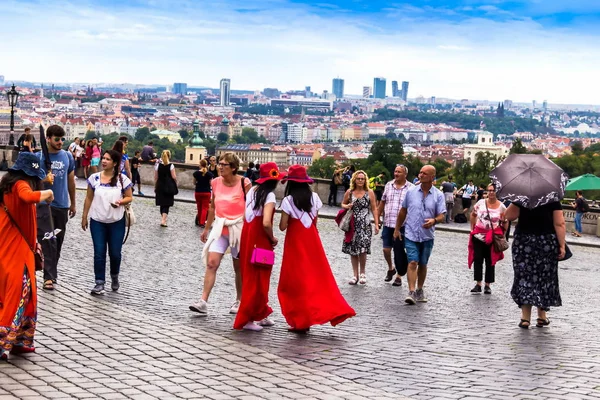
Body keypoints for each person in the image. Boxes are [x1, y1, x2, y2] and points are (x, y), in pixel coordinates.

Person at [278, 165, 356, 333]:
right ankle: (330, 309)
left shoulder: (288, 200)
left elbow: (283, 227)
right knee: (316, 278)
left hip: (295, 243)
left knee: (295, 281)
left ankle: (301, 320)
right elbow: (314, 222)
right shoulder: (314, 197)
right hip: (312, 241)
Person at [0, 152, 54, 360]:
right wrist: (47, 193)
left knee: (10, 291)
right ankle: (6, 340)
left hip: (8, 243)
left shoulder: (7, 185)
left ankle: (19, 339)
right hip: (17, 247)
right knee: (20, 290)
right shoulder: (21, 184)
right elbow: (27, 196)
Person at [189, 152, 251, 315]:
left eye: (224, 165)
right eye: (219, 164)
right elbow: (212, 207)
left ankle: (239, 300)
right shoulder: (215, 182)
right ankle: (203, 301)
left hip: (238, 230)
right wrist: (206, 228)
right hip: (220, 228)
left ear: (233, 168)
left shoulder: (244, 183)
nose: (220, 167)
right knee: (212, 263)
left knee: (238, 267)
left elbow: (251, 207)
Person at [233, 162, 285, 331]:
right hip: (260, 238)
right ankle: (248, 318)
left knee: (251, 274)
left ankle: (261, 313)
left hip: (248, 234)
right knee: (258, 278)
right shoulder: (269, 196)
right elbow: (266, 223)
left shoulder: (253, 191)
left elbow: (245, 214)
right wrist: (273, 238)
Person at [504, 200, 566, 329]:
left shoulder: (522, 197)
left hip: (523, 241)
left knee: (524, 277)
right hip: (545, 242)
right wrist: (562, 245)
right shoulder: (552, 199)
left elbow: (509, 216)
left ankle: (525, 318)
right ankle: (541, 316)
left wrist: (517, 200)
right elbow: (559, 223)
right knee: (544, 278)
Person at [81, 150, 133, 295]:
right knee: (99, 252)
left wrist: (120, 202)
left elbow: (129, 197)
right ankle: (99, 282)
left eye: (107, 159)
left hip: (116, 221)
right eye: (103, 158)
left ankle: (114, 275)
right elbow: (88, 198)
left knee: (115, 253)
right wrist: (84, 216)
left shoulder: (122, 180)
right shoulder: (94, 178)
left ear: (115, 163)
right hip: (97, 221)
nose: (104, 161)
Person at [394, 165, 446, 305]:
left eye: (424, 173)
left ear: (432, 177)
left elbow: (442, 215)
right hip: (411, 233)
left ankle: (419, 289)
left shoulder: (438, 195)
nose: (420, 175)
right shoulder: (411, 192)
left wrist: (434, 220)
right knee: (412, 262)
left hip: (427, 235)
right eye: (420, 172)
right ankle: (411, 292)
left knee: (423, 264)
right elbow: (403, 211)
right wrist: (397, 229)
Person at [36, 125, 76, 291]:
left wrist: (73, 203)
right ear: (48, 139)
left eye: (62, 139)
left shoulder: (67, 156)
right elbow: (31, 183)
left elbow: (71, 181)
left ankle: (51, 272)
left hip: (61, 205)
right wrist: (44, 179)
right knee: (47, 240)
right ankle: (48, 277)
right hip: (43, 205)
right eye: (57, 139)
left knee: (57, 241)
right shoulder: (38, 158)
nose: (60, 142)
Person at [341, 170, 379, 285]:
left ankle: (362, 273)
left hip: (365, 225)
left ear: (365, 180)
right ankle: (355, 275)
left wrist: (376, 224)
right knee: (353, 250)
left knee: (363, 249)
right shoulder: (350, 192)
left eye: (362, 179)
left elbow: (374, 208)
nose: (360, 181)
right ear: (354, 180)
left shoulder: (369, 192)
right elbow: (342, 204)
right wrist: (347, 206)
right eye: (358, 179)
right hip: (352, 224)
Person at [468, 183, 507, 295]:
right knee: (478, 259)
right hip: (478, 236)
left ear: (497, 192)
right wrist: (472, 229)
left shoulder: (501, 206)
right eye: (489, 190)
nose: (490, 192)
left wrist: (502, 234)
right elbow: (473, 214)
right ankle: (478, 283)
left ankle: (488, 285)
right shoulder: (480, 203)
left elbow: (505, 221)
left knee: (490, 261)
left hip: (492, 238)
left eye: (493, 190)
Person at [378, 164, 413, 286]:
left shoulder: (411, 188)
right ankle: (391, 268)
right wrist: (377, 218)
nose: (396, 174)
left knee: (400, 251)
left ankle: (399, 275)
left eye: (399, 172)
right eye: (395, 171)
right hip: (388, 223)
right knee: (386, 249)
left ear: (405, 174)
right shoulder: (388, 185)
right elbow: (382, 202)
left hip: (404, 225)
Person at [154, 150, 177, 227]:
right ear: (169, 156)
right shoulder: (171, 166)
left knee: (162, 203)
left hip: (160, 185)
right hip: (168, 186)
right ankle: (163, 220)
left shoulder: (158, 165)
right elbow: (174, 177)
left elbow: (156, 177)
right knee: (167, 204)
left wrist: (155, 186)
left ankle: (163, 219)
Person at [193, 159, 213, 228]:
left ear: (200, 165)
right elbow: (211, 183)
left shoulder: (196, 173)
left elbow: (194, 183)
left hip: (198, 191)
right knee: (205, 208)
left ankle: (198, 221)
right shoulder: (209, 174)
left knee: (199, 207)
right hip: (206, 192)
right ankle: (202, 222)